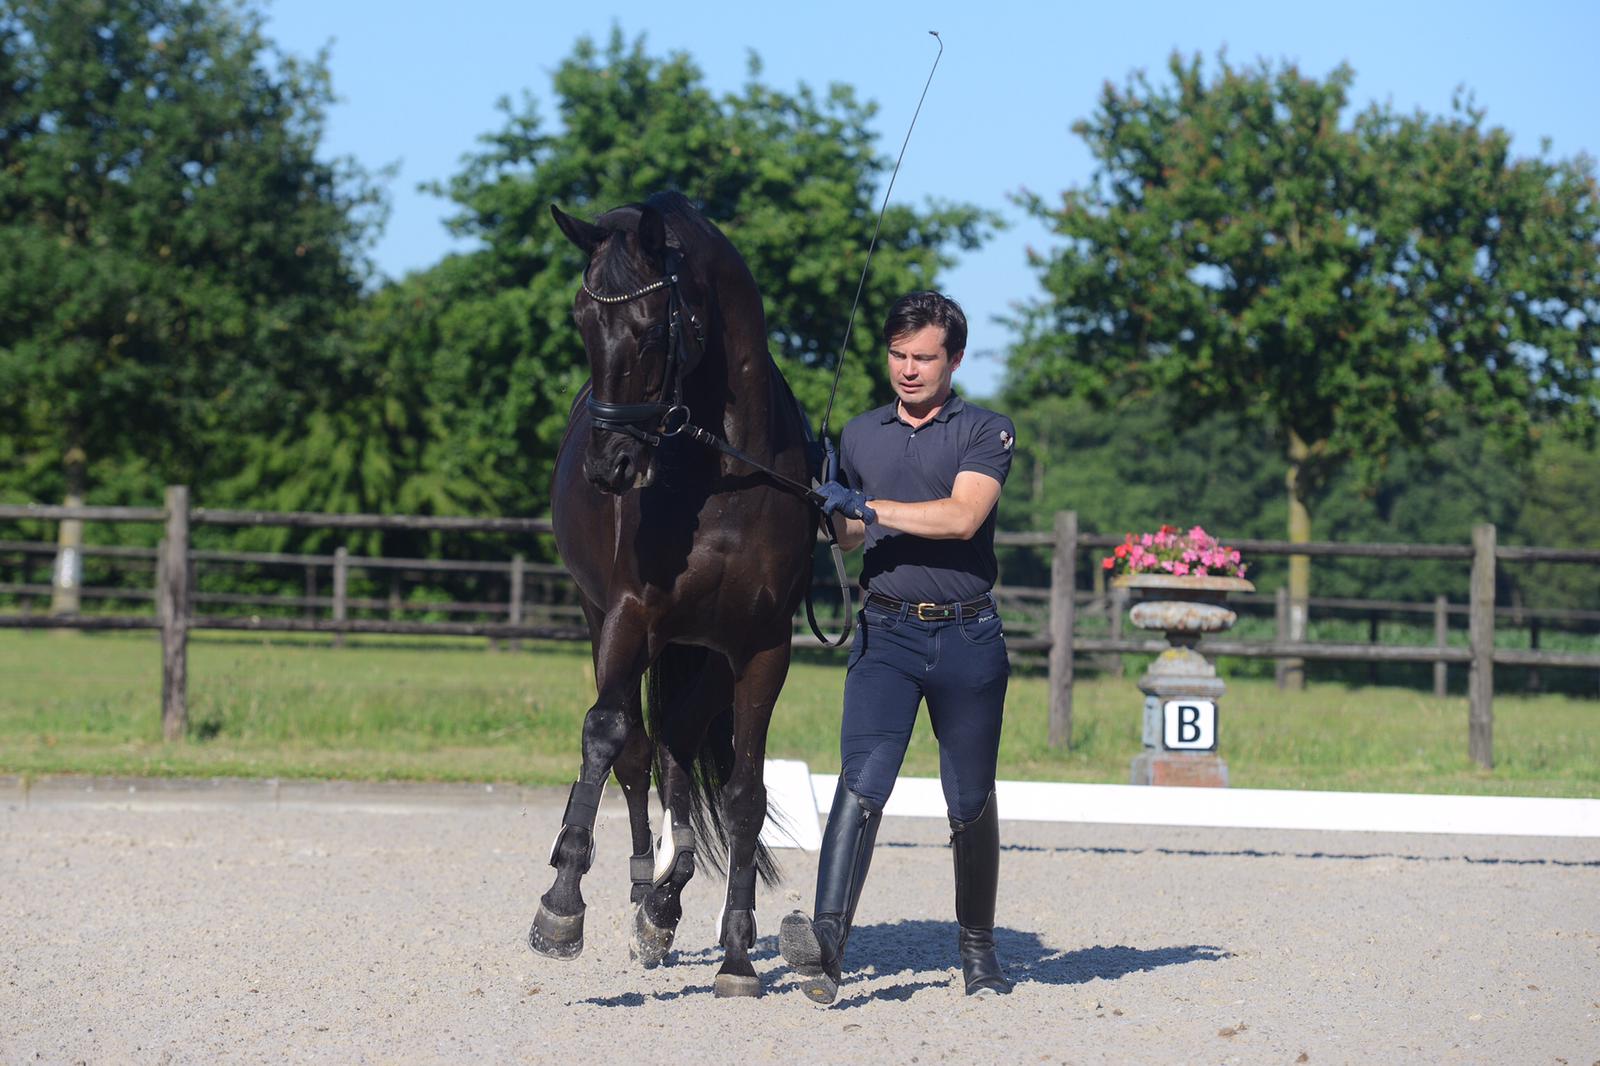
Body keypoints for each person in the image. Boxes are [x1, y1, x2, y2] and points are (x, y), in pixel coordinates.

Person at [781, 291, 1016, 1003]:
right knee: (862, 781)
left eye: (924, 358)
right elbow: (853, 535)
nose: (908, 370)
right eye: (898, 355)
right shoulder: (858, 434)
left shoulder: (985, 431)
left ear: (955, 359)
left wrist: (870, 507)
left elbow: (962, 516)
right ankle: (826, 946)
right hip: (884, 632)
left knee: (968, 798)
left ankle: (978, 950)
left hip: (969, 638)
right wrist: (828, 508)